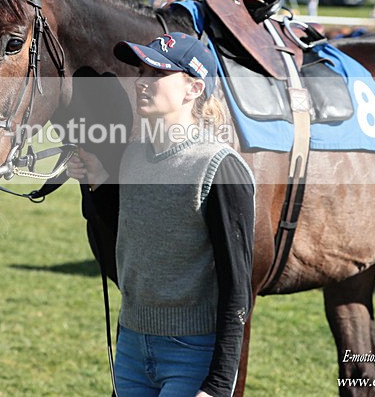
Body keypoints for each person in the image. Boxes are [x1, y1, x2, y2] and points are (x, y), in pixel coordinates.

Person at [67, 32, 256, 396]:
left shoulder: (220, 167)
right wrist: (99, 180)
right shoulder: (132, 155)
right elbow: (132, 231)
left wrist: (218, 384)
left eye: (158, 74)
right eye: (141, 72)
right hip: (131, 345)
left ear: (193, 88)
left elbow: (236, 286)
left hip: (192, 352)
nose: (142, 81)